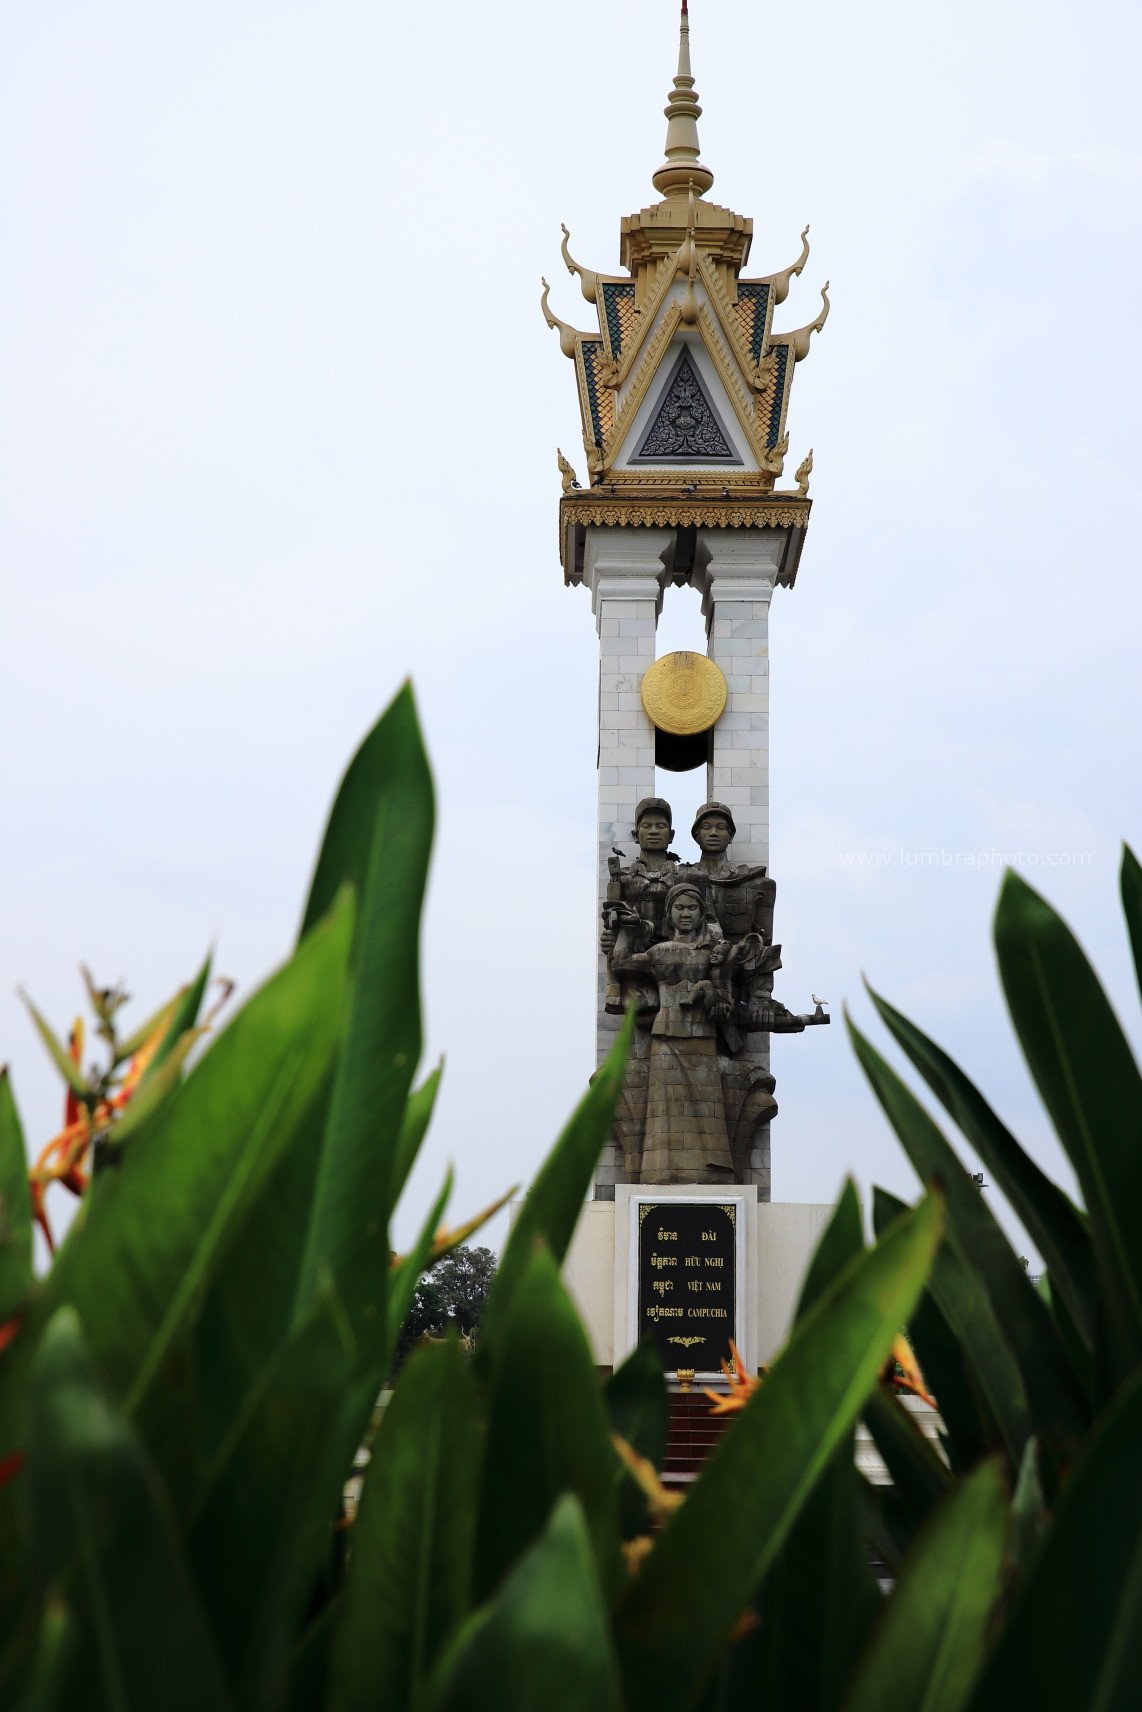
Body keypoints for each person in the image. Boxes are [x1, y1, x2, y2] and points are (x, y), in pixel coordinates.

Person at [611, 882, 736, 1183]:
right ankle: (661, 1173)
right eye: (679, 907)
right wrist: (626, 930)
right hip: (665, 1035)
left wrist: (708, 990)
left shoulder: (713, 954)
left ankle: (713, 1172)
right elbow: (620, 962)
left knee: (706, 1110)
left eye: (692, 908)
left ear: (702, 913)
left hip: (702, 1037)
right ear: (669, 913)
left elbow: (725, 1001)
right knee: (664, 1109)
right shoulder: (658, 952)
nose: (685, 913)